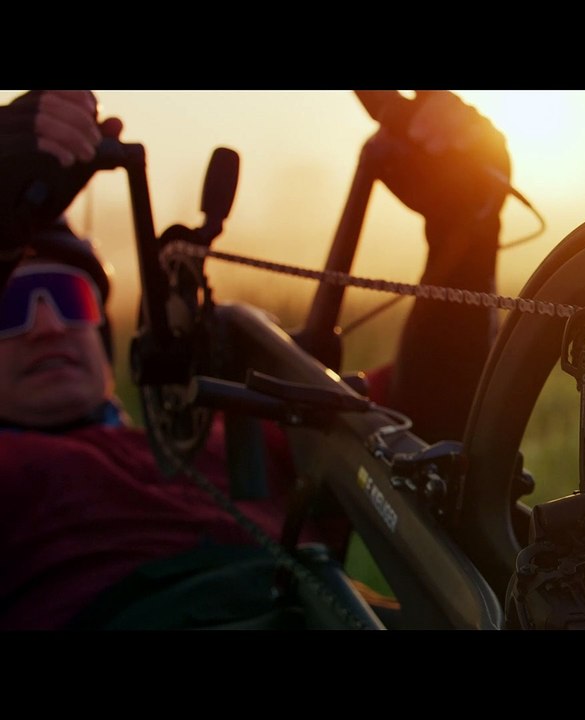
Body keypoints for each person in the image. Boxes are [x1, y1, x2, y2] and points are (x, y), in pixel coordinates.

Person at [0, 90, 510, 629]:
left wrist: (465, 230)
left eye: (67, 297)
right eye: (7, 306)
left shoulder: (234, 440)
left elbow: (423, 428)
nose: (46, 326)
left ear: (104, 336)